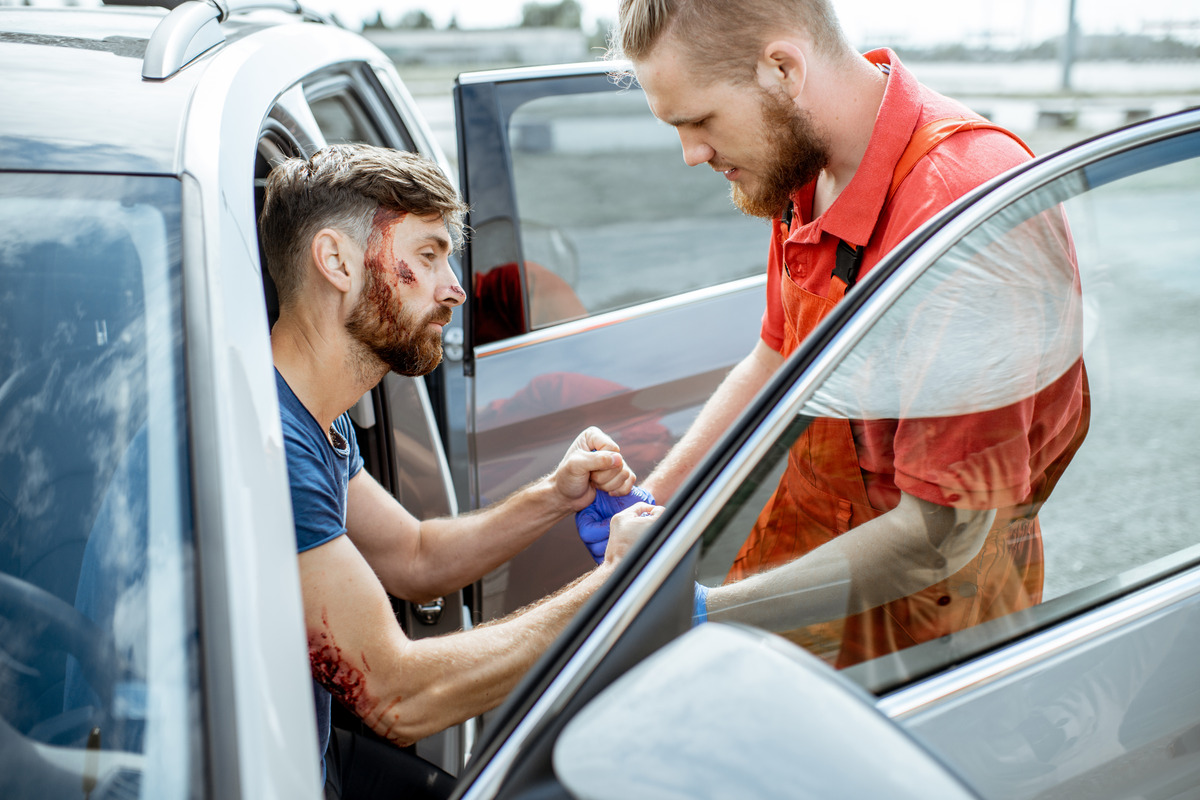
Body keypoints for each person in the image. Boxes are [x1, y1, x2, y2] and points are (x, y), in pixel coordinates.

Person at [608, 0, 1090, 666]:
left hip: (924, 626)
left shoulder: (960, 218)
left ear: (782, 68)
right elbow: (777, 357)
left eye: (698, 120)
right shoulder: (803, 166)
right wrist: (651, 503)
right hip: (801, 568)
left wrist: (702, 613)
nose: (692, 154)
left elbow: (939, 536)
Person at [258, 144, 662, 799]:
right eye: (427, 255)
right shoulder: (270, 441)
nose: (455, 289)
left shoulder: (314, 417)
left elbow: (413, 557)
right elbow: (395, 696)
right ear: (335, 261)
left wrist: (555, 496)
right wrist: (618, 587)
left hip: (311, 752)